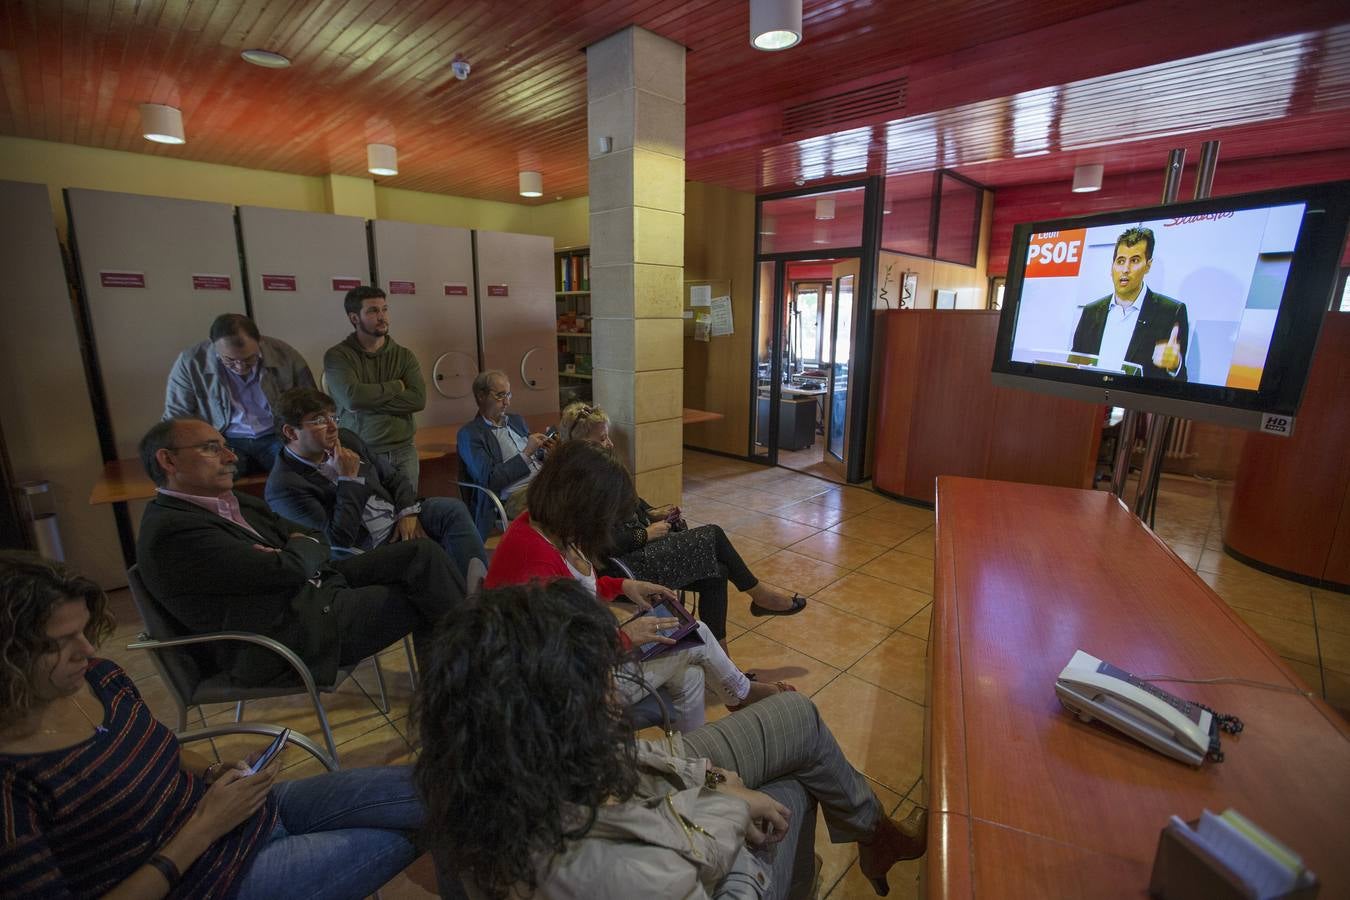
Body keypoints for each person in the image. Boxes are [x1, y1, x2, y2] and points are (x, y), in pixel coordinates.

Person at [414, 579, 927, 900]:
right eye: (600, 684)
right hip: (698, 868)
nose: (616, 700)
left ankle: (873, 834)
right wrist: (730, 805)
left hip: (652, 808)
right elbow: (686, 864)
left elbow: (630, 761)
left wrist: (714, 779)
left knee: (794, 714)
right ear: (555, 722)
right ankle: (847, 851)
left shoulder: (500, 773)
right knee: (791, 791)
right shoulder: (610, 873)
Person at [0, 550, 451, 900]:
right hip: (206, 880)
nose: (89, 651)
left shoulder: (101, 680)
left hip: (240, 813)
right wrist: (203, 828)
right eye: (60, 644)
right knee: (447, 820)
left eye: (84, 632)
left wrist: (217, 772)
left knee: (456, 789)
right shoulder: (13, 777)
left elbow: (162, 747)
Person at [484, 440, 793, 731]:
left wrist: (622, 585)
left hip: (583, 661)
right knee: (696, 635)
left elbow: (575, 590)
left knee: (691, 675)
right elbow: (557, 656)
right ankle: (740, 693)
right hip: (565, 693)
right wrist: (624, 637)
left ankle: (699, 758)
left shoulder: (547, 527)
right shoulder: (534, 561)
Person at [135, 416, 464, 688]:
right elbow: (289, 567)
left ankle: (461, 683)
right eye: (211, 448)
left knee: (422, 553)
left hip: (315, 591)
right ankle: (467, 687)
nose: (231, 457)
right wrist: (294, 551)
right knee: (429, 594)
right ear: (168, 460)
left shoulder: (234, 501)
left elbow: (312, 537)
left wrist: (295, 550)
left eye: (226, 447)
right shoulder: (172, 531)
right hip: (291, 635)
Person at [559, 402, 807, 647]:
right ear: (582, 445)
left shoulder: (600, 469)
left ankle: (722, 657)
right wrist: (645, 534)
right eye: (602, 439)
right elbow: (599, 546)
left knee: (717, 572)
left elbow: (630, 502)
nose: (610, 444)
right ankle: (760, 595)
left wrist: (653, 512)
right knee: (713, 535)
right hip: (624, 568)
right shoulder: (578, 486)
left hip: (638, 555)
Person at [265, 387, 486, 575]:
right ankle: (465, 606)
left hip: (394, 518)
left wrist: (407, 512)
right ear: (291, 432)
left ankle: (477, 592)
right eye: (320, 420)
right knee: (428, 552)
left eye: (334, 417)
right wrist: (347, 479)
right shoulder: (284, 486)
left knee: (452, 509)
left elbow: (392, 476)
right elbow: (338, 541)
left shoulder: (347, 439)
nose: (333, 427)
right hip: (366, 548)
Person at [163, 313, 315, 476]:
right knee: (212, 476)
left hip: (276, 435)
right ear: (213, 345)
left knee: (302, 472)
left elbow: (311, 402)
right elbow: (177, 416)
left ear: (259, 341)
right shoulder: (191, 362)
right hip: (223, 439)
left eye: (249, 358)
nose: (240, 366)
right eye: (230, 360)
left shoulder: (285, 354)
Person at [323, 285, 426, 491]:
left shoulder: (404, 355)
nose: (382, 316)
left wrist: (367, 400)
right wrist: (397, 385)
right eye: (372, 311)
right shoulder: (338, 356)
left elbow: (417, 400)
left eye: (384, 309)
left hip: (403, 451)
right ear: (354, 318)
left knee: (407, 515)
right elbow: (352, 399)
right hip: (360, 453)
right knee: (370, 518)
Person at [1071, 226, 1189, 380]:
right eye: (1120, 261)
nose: (1125, 269)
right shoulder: (1091, 312)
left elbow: (1181, 382)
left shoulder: (1170, 312)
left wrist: (1175, 365)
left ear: (1148, 265)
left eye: (1135, 260)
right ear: (1112, 266)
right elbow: (1073, 368)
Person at [456, 369, 556, 539]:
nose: (507, 402)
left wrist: (545, 453)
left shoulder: (516, 420)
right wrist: (527, 452)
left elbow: (533, 458)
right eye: (500, 395)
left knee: (585, 483)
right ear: (481, 396)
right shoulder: (471, 434)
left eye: (509, 395)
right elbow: (489, 480)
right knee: (568, 500)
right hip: (515, 496)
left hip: (542, 483)